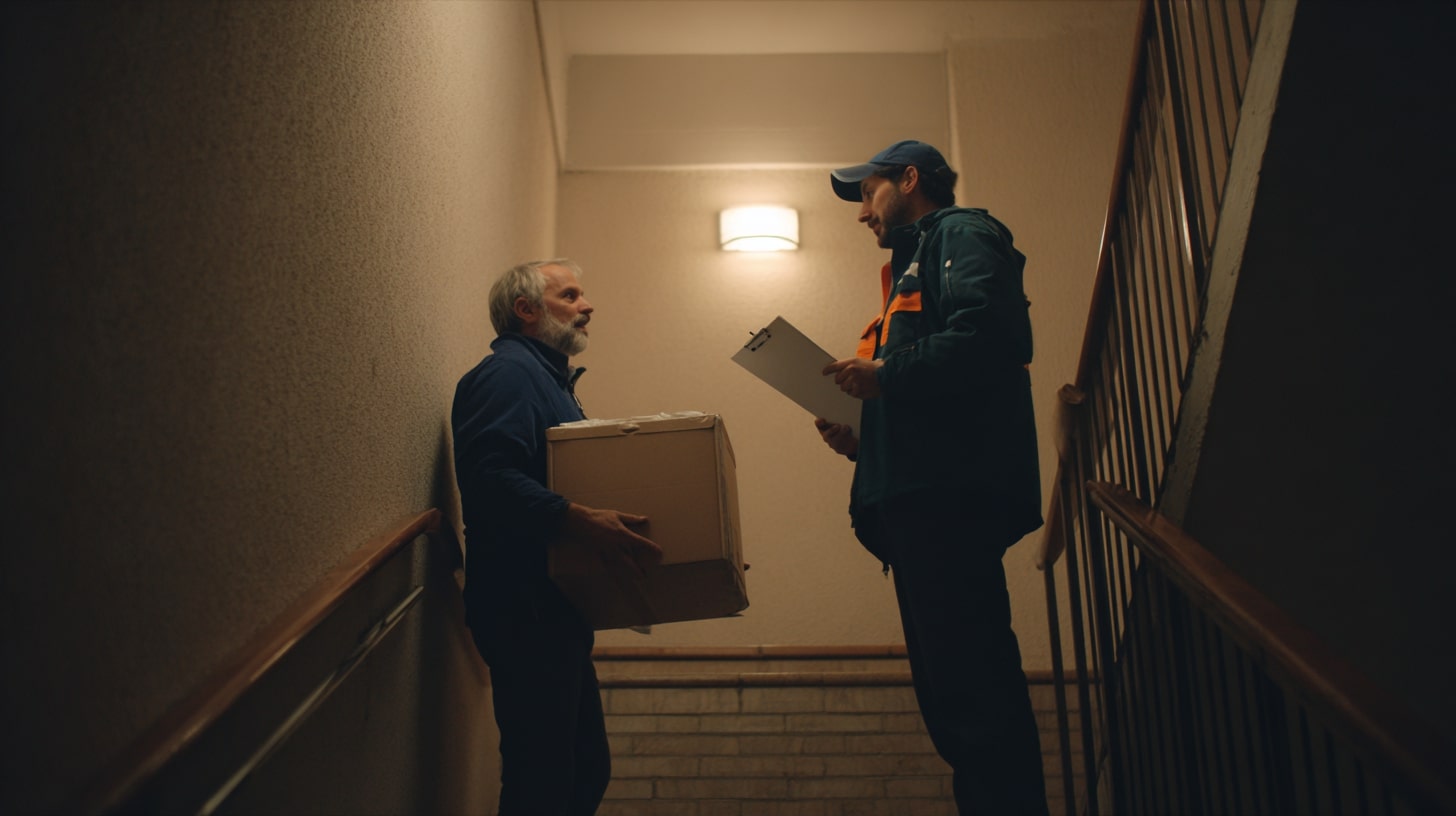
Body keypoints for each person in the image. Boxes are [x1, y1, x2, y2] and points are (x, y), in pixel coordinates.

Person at [815, 140, 1049, 815]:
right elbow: (935, 390)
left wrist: (884, 375)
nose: (863, 213)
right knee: (956, 703)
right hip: (920, 504)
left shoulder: (963, 231)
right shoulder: (905, 275)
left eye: (867, 192)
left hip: (946, 503)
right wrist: (861, 440)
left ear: (910, 178)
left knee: (974, 698)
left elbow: (994, 338)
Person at [451, 259, 662, 815]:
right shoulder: (508, 375)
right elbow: (490, 477)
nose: (587, 305)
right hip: (524, 607)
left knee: (581, 772)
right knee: (542, 780)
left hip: (551, 607)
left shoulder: (546, 380)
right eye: (570, 295)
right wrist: (578, 518)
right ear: (527, 310)